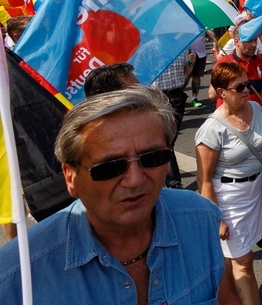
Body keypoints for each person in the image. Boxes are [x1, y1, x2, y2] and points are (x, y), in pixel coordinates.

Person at [0, 87, 238, 304]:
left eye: (152, 157)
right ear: (70, 177)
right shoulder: (16, 276)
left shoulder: (201, 218)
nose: (135, 180)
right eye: (110, 167)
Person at [195, 62, 262, 305]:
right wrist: (217, 217)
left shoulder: (255, 108)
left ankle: (228, 297)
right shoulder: (211, 129)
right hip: (227, 200)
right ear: (222, 92)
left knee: (232, 259)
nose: (247, 90)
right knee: (244, 263)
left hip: (253, 194)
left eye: (249, 84)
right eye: (240, 87)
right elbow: (204, 180)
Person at [210, 27, 262, 118]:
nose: (254, 45)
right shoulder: (224, 63)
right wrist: (229, 76)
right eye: (249, 41)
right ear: (236, 41)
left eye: (255, 40)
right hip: (229, 119)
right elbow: (212, 95)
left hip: (254, 117)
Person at [152, 49, 192, 189]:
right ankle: (171, 181)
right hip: (167, 98)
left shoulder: (181, 49)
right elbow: (187, 71)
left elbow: (186, 72)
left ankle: (170, 180)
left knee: (167, 141)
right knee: (167, 140)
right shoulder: (181, 49)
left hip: (169, 98)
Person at [186, 30, 217, 108]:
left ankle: (194, 98)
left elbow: (212, 37)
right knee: (185, 78)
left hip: (201, 54)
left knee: (197, 77)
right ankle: (178, 98)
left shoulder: (202, 25)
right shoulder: (186, 24)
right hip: (188, 54)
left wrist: (210, 33)